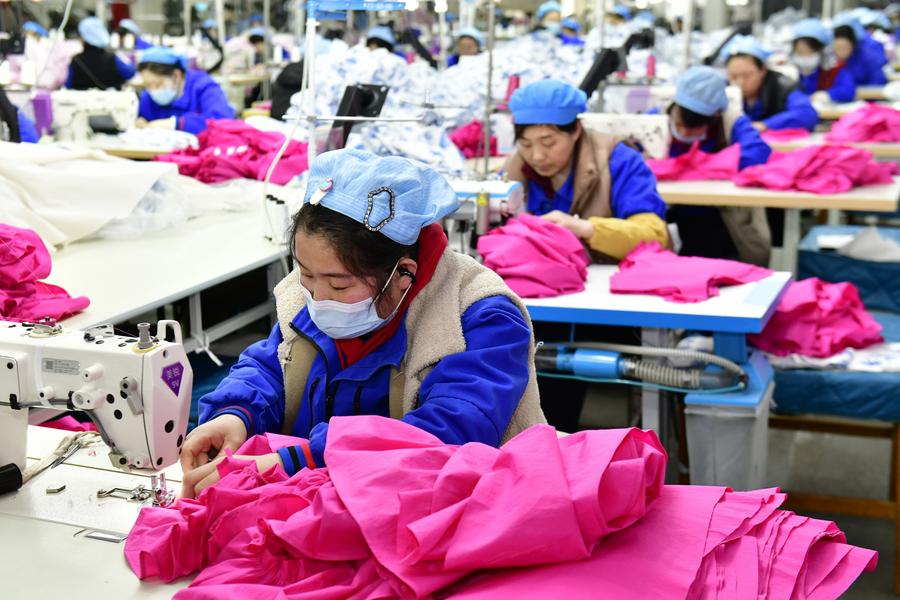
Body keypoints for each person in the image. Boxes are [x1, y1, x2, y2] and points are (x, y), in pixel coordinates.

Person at [180, 149, 545, 498]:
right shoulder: (311, 293)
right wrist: (236, 415)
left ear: (403, 274)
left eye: (339, 286)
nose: (318, 298)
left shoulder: (480, 317)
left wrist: (302, 460)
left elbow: (449, 434)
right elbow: (272, 367)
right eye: (306, 274)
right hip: (326, 501)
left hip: (455, 510)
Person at [505, 79, 668, 263]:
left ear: (576, 130)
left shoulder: (619, 161)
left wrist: (587, 229)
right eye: (526, 144)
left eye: (548, 142)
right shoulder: (514, 170)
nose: (537, 156)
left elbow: (655, 235)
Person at [665, 66, 772, 267]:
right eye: (680, 125)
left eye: (694, 128)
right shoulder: (655, 121)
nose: (685, 133)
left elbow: (758, 153)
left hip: (720, 220)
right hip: (670, 214)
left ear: (715, 116)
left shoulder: (731, 121)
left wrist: (693, 166)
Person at [722, 35, 817, 132]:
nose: (740, 82)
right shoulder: (723, 90)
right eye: (733, 76)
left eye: (747, 75)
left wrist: (765, 125)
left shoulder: (782, 86)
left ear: (762, 70)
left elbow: (807, 114)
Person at [136, 46, 234, 134]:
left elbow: (222, 120)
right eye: (147, 85)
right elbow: (142, 119)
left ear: (177, 75)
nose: (153, 90)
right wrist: (139, 123)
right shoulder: (148, 97)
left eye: (158, 84)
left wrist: (176, 124)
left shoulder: (203, 87)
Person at [790, 18, 856, 104]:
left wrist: (828, 95)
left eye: (810, 52)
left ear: (822, 51)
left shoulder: (834, 70)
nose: (805, 57)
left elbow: (848, 90)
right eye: (800, 52)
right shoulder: (793, 73)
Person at [66, 17, 135, 90]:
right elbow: (130, 73)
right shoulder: (113, 58)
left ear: (83, 38)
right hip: (111, 97)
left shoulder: (76, 60)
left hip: (80, 97)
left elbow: (68, 84)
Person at [832, 20, 888, 87]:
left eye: (844, 48)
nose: (840, 52)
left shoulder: (867, 58)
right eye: (837, 48)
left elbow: (878, 81)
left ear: (853, 45)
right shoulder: (834, 61)